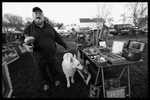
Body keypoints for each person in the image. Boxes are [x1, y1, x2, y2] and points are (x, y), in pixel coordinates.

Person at [20, 7, 69, 91]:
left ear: (43, 16)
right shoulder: (29, 28)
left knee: (53, 68)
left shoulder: (49, 26)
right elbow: (21, 39)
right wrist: (26, 46)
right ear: (33, 16)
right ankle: (46, 82)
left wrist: (64, 44)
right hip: (38, 56)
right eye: (36, 13)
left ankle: (56, 78)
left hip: (51, 55)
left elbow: (57, 37)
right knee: (42, 70)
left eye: (40, 13)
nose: (38, 15)